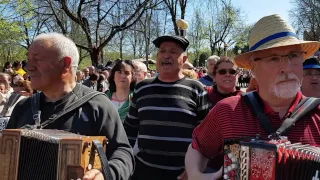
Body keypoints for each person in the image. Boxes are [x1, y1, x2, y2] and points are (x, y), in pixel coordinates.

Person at [185, 14, 320, 180]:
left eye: (293, 56)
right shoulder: (227, 110)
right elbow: (198, 148)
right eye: (274, 58)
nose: (287, 67)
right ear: (253, 68)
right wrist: (197, 175)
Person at [6, 32, 134, 180]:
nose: (28, 67)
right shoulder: (23, 106)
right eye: (28, 59)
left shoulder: (97, 105)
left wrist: (106, 173)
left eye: (37, 59)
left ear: (65, 64)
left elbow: (123, 152)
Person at [124, 35, 211, 180]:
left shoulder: (196, 89)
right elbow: (129, 130)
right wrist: (125, 163)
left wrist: (196, 169)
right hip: (144, 172)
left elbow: (206, 136)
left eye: (173, 52)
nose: (166, 56)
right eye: (162, 51)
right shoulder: (142, 88)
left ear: (183, 59)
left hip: (183, 174)